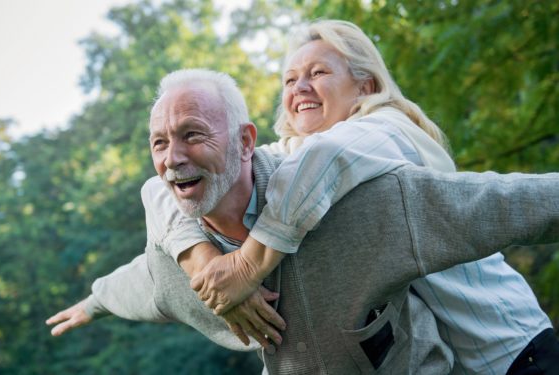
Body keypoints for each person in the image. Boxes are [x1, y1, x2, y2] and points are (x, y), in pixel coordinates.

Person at [47, 68, 559, 374]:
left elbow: (501, 202)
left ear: (246, 142)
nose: (172, 158)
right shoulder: (178, 262)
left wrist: (249, 266)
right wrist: (95, 299)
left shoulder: (359, 205)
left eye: (192, 134)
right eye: (159, 142)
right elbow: (139, 283)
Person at [165, 20, 558, 374]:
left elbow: (325, 158)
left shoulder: (387, 128)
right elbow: (166, 187)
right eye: (289, 80)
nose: (300, 87)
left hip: (514, 352)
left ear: (364, 86)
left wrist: (245, 269)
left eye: (317, 73)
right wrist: (203, 263)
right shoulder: (297, 156)